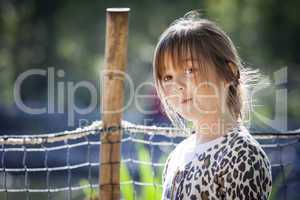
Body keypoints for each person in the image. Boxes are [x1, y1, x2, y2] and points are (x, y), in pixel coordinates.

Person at [152, 10, 272, 200]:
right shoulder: (177, 155)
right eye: (168, 77)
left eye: (190, 70)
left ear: (228, 73)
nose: (178, 85)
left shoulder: (243, 155)